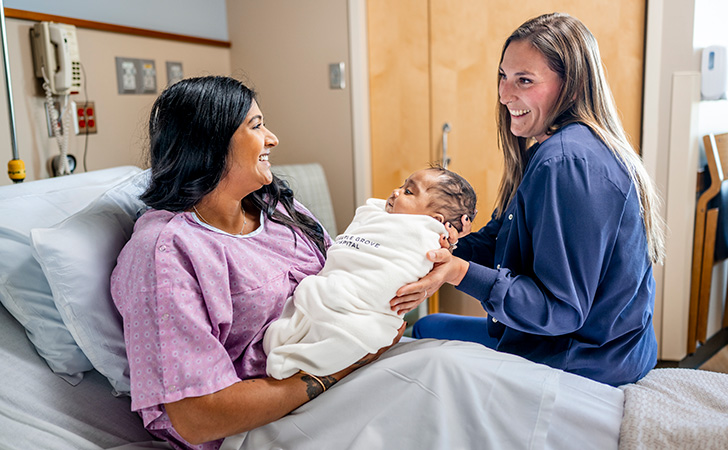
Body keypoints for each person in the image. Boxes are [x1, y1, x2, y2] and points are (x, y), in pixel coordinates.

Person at [110, 76, 411, 449]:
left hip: (355, 371)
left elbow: (345, 274)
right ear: (210, 140)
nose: (272, 138)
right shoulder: (167, 253)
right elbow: (196, 417)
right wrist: (344, 365)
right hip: (276, 421)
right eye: (256, 126)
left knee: (457, 372)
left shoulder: (277, 208)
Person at [396, 12, 666, 387]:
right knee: (427, 326)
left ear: (570, 87)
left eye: (524, 80)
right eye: (503, 77)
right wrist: (435, 245)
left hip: (584, 359)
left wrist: (457, 272)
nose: (506, 95)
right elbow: (501, 241)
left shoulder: (568, 162)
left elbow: (560, 309)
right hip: (596, 347)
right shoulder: (553, 149)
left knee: (415, 350)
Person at [264, 167, 477, 380]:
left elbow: (396, 273)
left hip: (362, 305)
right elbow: (349, 247)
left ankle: (299, 357)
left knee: (358, 331)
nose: (396, 191)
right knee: (312, 307)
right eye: (403, 185)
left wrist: (446, 243)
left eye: (409, 192)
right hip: (332, 284)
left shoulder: (427, 236)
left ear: (437, 220)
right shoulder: (376, 215)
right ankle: (299, 343)